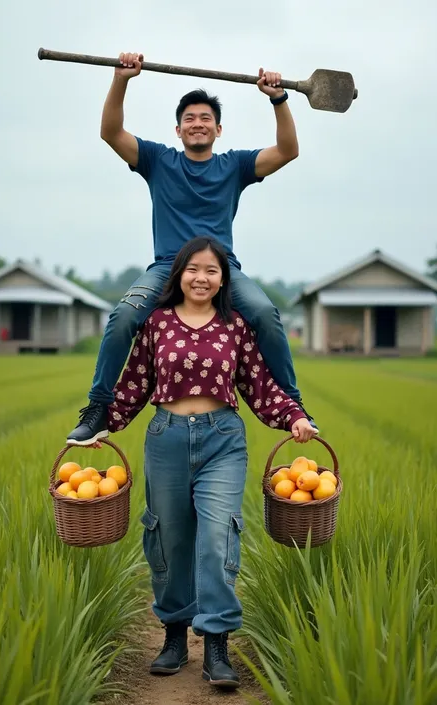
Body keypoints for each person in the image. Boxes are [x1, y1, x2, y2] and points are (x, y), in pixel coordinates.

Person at [97, 236, 316, 689]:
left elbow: (259, 385)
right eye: (193, 269)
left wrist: (294, 416)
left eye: (212, 271)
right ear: (179, 274)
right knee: (170, 538)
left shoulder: (236, 326)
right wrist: (104, 423)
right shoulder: (155, 323)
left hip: (222, 440)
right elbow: (134, 384)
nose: (202, 277)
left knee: (218, 537)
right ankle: (175, 636)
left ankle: (217, 642)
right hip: (167, 439)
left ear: (223, 280)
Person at [67, 51, 317, 446]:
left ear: (218, 130)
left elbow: (287, 151)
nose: (197, 124)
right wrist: (122, 79)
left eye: (205, 119)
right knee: (121, 319)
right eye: (189, 119)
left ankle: (294, 404)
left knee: (267, 314)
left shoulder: (234, 166)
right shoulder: (157, 160)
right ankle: (98, 407)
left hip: (223, 269)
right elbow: (111, 133)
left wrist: (278, 98)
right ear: (178, 129)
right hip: (168, 266)